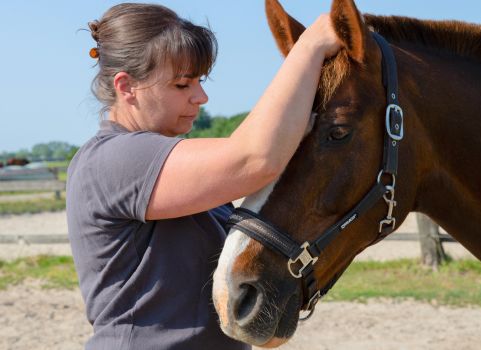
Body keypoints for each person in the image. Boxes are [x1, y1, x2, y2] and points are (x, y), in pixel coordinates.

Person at [66, 3, 341, 349]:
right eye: (182, 84)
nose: (201, 97)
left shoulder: (165, 160)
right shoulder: (114, 159)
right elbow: (255, 158)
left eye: (199, 81)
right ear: (126, 86)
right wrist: (311, 46)